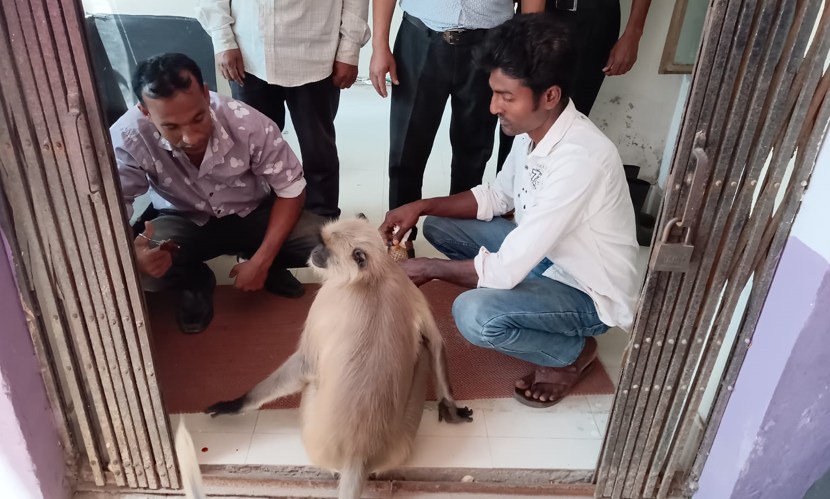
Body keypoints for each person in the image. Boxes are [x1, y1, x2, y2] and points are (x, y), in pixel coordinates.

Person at [379, 14, 639, 407]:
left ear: (549, 96)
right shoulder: (535, 131)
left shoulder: (580, 160)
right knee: (440, 225)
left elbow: (506, 269)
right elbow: (498, 197)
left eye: (506, 96)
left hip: (586, 292)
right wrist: (419, 205)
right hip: (546, 260)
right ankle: (531, 309)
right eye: (493, 92)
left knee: (474, 315)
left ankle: (570, 354)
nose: (492, 106)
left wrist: (429, 269)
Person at [111, 53, 324, 334]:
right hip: (183, 217)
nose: (191, 137)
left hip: (253, 212)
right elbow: (111, 208)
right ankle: (196, 280)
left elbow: (291, 189)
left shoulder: (248, 123)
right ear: (145, 113)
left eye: (198, 118)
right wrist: (131, 256)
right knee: (144, 272)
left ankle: (264, 263)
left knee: (323, 242)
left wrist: (262, 260)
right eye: (171, 127)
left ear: (205, 92)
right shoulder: (127, 136)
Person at [197, 0, 371, 220]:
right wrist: (222, 39)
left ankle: (321, 220)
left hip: (316, 52)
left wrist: (349, 50)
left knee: (317, 149)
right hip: (249, 51)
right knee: (250, 151)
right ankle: (258, 220)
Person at [369, 0, 544, 210]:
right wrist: (379, 45)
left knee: (474, 150)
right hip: (419, 36)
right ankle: (399, 235)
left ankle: (459, 231)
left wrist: (528, 49)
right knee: (407, 146)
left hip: (491, 42)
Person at [496, 0, 654, 171]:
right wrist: (530, 28)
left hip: (594, 17)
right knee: (518, 113)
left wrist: (634, 31)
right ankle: (507, 193)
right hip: (540, 11)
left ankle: (553, 193)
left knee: (567, 122)